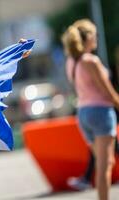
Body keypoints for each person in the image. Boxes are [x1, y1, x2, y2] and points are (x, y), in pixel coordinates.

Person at [62, 19, 119, 200]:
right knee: (104, 167)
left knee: (106, 161)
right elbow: (107, 91)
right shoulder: (91, 61)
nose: (97, 38)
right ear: (87, 38)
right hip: (101, 112)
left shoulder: (71, 61)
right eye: (95, 35)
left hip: (84, 114)